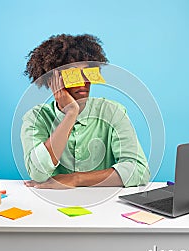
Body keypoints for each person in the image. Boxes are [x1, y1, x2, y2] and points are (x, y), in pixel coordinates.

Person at [21, 34, 150, 189]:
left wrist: (77, 179)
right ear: (52, 81)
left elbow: (139, 171)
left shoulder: (113, 112)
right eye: (73, 75)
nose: (83, 83)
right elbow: (38, 174)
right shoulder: (35, 118)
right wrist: (70, 114)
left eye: (88, 74)